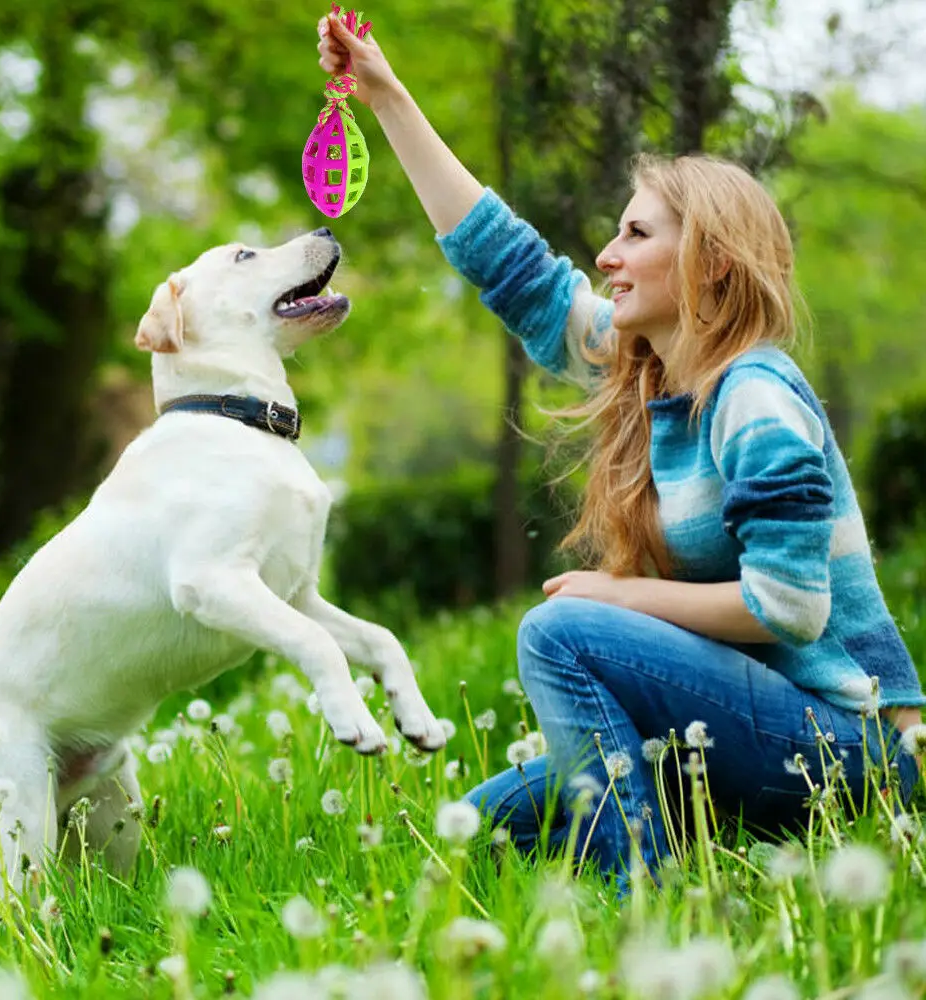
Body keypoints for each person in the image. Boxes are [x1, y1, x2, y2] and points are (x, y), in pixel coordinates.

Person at [316, 14, 925, 886]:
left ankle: (639, 891)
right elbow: (510, 266)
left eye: (637, 236)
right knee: (483, 826)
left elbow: (790, 609)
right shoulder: (655, 376)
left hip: (847, 750)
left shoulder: (754, 396)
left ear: (711, 263)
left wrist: (621, 597)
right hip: (741, 725)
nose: (606, 255)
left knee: (559, 630)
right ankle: (655, 843)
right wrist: (387, 97)